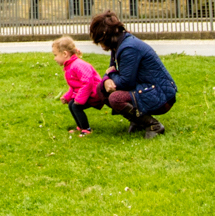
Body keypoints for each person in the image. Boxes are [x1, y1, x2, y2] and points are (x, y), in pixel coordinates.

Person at [88, 11, 176, 139]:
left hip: (161, 95)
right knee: (101, 88)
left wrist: (110, 75)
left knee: (116, 98)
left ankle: (153, 125)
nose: (100, 45)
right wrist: (106, 79)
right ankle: (138, 121)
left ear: (105, 36)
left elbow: (125, 82)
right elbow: (111, 69)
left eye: (100, 41)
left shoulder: (129, 48)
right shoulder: (118, 44)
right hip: (145, 88)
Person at [52, 36, 104, 136]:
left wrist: (79, 99)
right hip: (88, 93)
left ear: (65, 54)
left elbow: (87, 83)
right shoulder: (70, 66)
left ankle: (86, 129)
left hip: (95, 93)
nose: (55, 58)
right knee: (72, 104)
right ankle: (80, 126)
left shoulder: (78, 65)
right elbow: (74, 86)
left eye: (55, 55)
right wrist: (67, 97)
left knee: (76, 106)